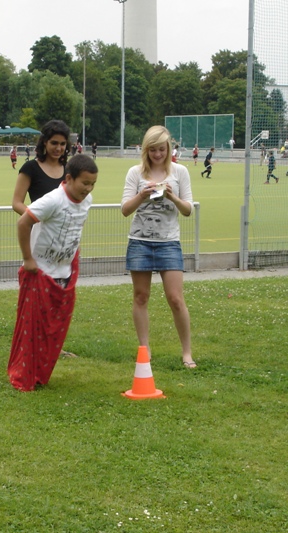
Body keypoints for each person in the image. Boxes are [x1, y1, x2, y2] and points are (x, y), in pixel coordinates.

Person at [8, 154, 99, 391]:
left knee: (54, 330)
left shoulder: (87, 201)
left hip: (64, 274)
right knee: (33, 329)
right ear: (69, 178)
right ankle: (25, 374)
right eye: (85, 183)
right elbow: (23, 223)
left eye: (93, 184)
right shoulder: (52, 200)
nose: (88, 189)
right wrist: (28, 259)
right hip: (40, 273)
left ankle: (40, 372)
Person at [121, 125, 195, 369]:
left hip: (168, 243)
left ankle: (187, 353)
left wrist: (172, 196)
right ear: (146, 150)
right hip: (140, 242)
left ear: (169, 148)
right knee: (141, 296)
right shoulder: (135, 173)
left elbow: (187, 210)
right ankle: (145, 348)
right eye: (152, 150)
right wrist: (143, 195)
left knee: (175, 298)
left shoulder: (180, 172)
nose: (157, 154)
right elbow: (125, 210)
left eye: (161, 149)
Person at [12, 119, 79, 359]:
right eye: (54, 143)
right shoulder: (30, 168)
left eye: (62, 144)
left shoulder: (69, 170)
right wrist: (37, 219)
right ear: (44, 142)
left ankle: (54, 347)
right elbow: (16, 202)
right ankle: (31, 344)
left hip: (61, 243)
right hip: (37, 240)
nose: (58, 148)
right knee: (36, 297)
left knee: (58, 298)